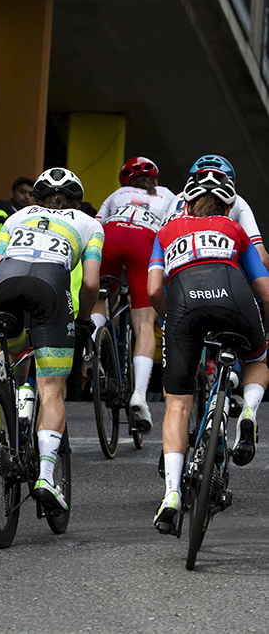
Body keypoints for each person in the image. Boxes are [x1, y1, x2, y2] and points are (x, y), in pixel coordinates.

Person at [149, 167, 269, 533]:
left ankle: (171, 492)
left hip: (184, 307)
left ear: (185, 202)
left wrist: (171, 322)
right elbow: (263, 285)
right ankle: (247, 410)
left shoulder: (166, 231)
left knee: (178, 404)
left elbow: (154, 290)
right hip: (233, 299)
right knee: (258, 359)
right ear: (227, 204)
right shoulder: (234, 229)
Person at [0, 168, 103, 512]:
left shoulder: (16, 217)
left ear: (36, 196)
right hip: (50, 289)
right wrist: (81, 322)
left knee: (6, 349)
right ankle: (46, 477)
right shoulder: (89, 224)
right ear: (76, 200)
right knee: (51, 387)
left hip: (4, 284)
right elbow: (91, 283)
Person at [93, 157, 176, 433]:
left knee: (103, 299)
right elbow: (173, 230)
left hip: (110, 235)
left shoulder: (116, 195)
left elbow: (96, 224)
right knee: (144, 325)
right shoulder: (167, 195)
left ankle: (93, 346)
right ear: (155, 180)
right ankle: (139, 394)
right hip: (145, 241)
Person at [166, 154, 269, 270]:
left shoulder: (175, 199)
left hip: (178, 273)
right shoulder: (238, 200)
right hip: (220, 273)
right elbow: (261, 258)